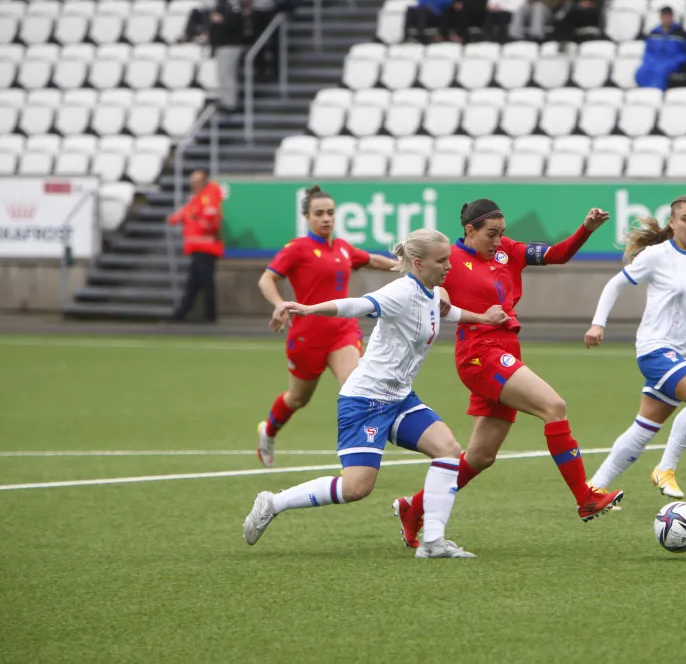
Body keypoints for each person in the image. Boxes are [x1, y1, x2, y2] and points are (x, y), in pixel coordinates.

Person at [243, 229, 511, 558]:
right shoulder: (399, 292)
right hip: (365, 401)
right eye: (442, 261)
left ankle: (433, 542)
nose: (448, 267)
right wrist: (310, 309)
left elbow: (444, 312)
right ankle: (273, 502)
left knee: (448, 450)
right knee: (356, 488)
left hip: (399, 398)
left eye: (448, 260)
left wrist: (482, 318)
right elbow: (356, 305)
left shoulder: (431, 290)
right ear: (418, 263)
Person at [391, 199, 624, 549]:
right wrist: (439, 294)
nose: (499, 241)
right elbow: (428, 283)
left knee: (481, 456)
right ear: (469, 231)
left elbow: (557, 254)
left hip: (505, 351)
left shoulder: (508, 251)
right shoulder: (449, 258)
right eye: (491, 234)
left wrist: (585, 230)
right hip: (479, 355)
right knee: (554, 406)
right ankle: (584, 497)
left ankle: (414, 507)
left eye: (501, 233)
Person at [584, 195, 686, 499]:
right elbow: (614, 285)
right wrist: (598, 324)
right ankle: (665, 469)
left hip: (684, 355)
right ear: (672, 222)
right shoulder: (657, 256)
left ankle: (594, 487)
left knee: (644, 426)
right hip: (654, 349)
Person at [255, 186, 398, 467]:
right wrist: (279, 304)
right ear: (307, 217)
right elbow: (266, 279)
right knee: (297, 399)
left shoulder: (343, 248)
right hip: (307, 336)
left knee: (356, 386)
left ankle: (358, 457)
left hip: (342, 332)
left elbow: (371, 260)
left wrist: (404, 265)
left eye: (330, 212)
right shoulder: (297, 248)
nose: (326, 218)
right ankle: (268, 431)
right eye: (319, 213)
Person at [167, 170, 224, 322]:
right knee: (195, 282)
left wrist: (195, 218)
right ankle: (185, 313)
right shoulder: (195, 200)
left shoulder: (208, 197)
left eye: (196, 181)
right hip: (197, 248)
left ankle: (205, 315)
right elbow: (178, 217)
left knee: (204, 282)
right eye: (192, 181)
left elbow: (209, 219)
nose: (193, 185)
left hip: (206, 248)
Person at [248, 0, 293, 81]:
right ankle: (259, 70)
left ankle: (277, 71)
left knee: (276, 42)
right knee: (257, 39)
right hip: (258, 7)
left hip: (275, 8)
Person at [208, 0, 245, 113]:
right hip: (221, 45)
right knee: (221, 74)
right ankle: (224, 99)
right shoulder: (218, 4)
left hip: (230, 44)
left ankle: (231, 103)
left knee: (228, 74)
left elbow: (237, 22)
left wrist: (222, 20)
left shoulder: (231, 4)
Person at [635, 7, 686, 90]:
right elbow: (648, 51)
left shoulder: (681, 34)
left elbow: (685, 52)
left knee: (661, 70)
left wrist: (676, 60)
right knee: (642, 71)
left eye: (668, 17)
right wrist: (649, 60)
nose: (666, 19)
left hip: (671, 61)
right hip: (654, 60)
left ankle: (656, 92)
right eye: (664, 17)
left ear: (672, 17)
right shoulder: (654, 33)